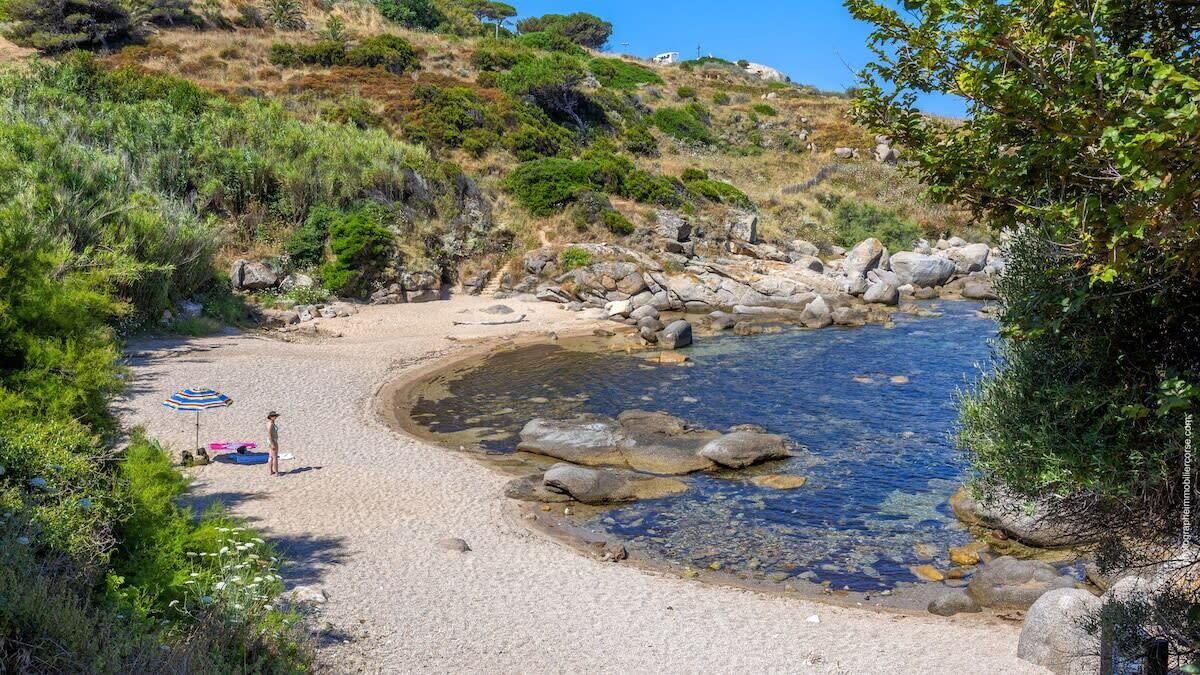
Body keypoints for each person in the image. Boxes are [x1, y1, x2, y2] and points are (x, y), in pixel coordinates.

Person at [267, 411, 280, 476]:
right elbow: (269, 434)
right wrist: (272, 443)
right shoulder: (270, 424)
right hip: (273, 440)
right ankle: (276, 472)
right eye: (273, 416)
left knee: (271, 456)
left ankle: (271, 471)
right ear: (270, 417)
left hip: (271, 440)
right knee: (275, 457)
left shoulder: (271, 423)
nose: (275, 417)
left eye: (275, 416)